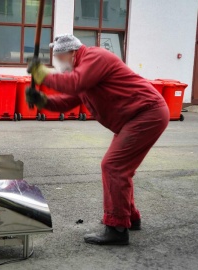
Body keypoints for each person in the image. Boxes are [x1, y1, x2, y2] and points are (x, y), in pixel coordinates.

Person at [27, 34, 169, 245]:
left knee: (113, 166)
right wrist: (43, 101)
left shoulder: (95, 58)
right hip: (136, 117)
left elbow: (74, 84)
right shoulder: (84, 70)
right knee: (118, 168)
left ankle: (117, 229)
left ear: (72, 52)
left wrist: (42, 75)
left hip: (146, 113)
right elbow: (68, 101)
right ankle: (128, 217)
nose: (58, 63)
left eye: (60, 57)